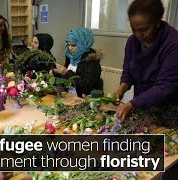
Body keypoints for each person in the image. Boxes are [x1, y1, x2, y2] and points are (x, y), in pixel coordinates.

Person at [115, 0, 178, 128]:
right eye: (134, 29)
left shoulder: (173, 43)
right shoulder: (132, 42)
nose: (138, 35)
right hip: (143, 105)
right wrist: (122, 87)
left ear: (157, 22)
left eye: (144, 30)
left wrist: (132, 104)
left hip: (169, 110)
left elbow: (166, 86)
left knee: (165, 144)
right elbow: (128, 71)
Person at [52, 28, 103, 97]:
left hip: (83, 99)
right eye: (68, 45)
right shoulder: (71, 57)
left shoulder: (92, 62)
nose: (70, 48)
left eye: (73, 45)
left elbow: (86, 87)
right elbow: (67, 80)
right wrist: (57, 73)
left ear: (83, 44)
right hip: (68, 96)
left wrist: (66, 73)